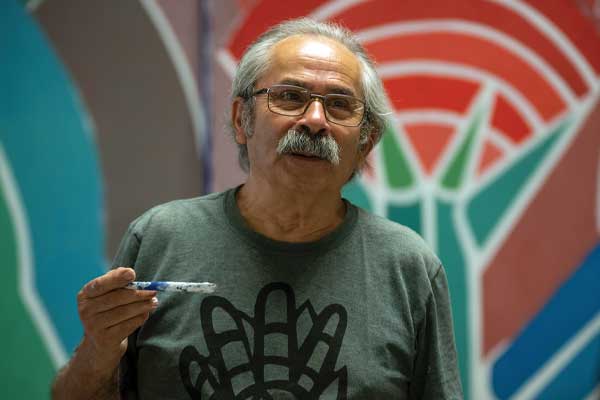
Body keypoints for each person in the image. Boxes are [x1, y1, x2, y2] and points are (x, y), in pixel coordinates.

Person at [51, 18, 463, 399]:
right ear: (241, 119)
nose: (315, 120)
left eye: (339, 104)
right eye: (290, 97)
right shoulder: (162, 238)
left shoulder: (406, 268)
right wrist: (97, 350)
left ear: (366, 142)